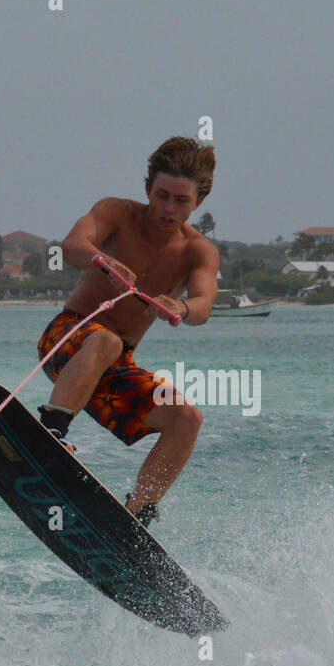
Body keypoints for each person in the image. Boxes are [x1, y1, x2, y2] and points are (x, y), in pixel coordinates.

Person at [35, 137, 219, 528]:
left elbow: (204, 305)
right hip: (67, 340)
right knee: (106, 339)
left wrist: (181, 308)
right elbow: (72, 245)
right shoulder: (115, 213)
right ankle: (51, 434)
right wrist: (103, 262)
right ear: (147, 189)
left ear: (198, 202)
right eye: (162, 195)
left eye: (181, 201)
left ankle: (137, 515)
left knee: (187, 418)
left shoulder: (198, 251)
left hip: (115, 368)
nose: (169, 209)